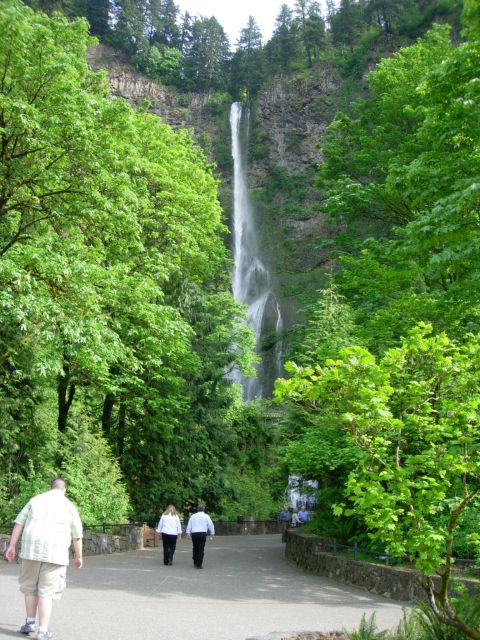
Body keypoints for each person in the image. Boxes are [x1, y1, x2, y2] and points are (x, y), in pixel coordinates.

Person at [5, 477, 83, 640]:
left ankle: (30, 622)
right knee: (46, 592)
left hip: (31, 550)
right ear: (64, 490)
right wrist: (79, 556)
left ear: (50, 487)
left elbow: (19, 522)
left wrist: (11, 545)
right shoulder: (69, 505)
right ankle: (42, 631)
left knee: (30, 587)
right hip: (55, 553)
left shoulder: (35, 500)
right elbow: (77, 535)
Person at [185, 504, 215, 569]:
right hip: (202, 533)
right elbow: (210, 525)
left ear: (197, 509)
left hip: (195, 534)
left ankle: (195, 561)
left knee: (195, 547)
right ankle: (199, 564)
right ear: (203, 509)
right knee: (201, 549)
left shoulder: (193, 516)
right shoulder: (206, 516)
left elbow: (189, 525)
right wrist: (212, 533)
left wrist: (188, 533)